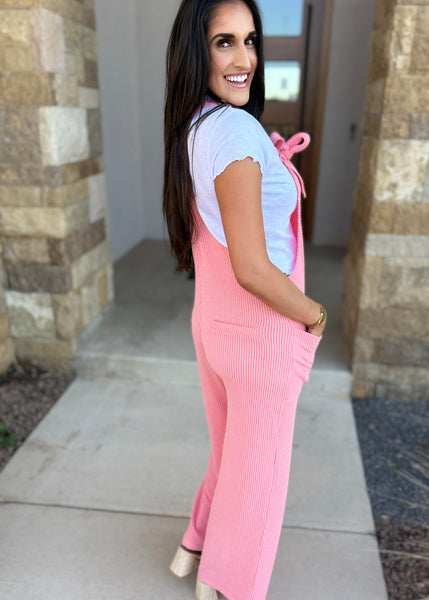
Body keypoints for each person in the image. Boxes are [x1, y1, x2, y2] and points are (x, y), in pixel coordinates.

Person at [163, 1, 327, 598]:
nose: (244, 60)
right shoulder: (234, 130)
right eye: (223, 42)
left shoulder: (199, 125)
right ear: (195, 51)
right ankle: (230, 584)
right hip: (260, 332)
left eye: (250, 40)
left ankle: (194, 550)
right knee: (259, 479)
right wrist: (313, 316)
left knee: (229, 453)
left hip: (217, 323)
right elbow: (254, 266)